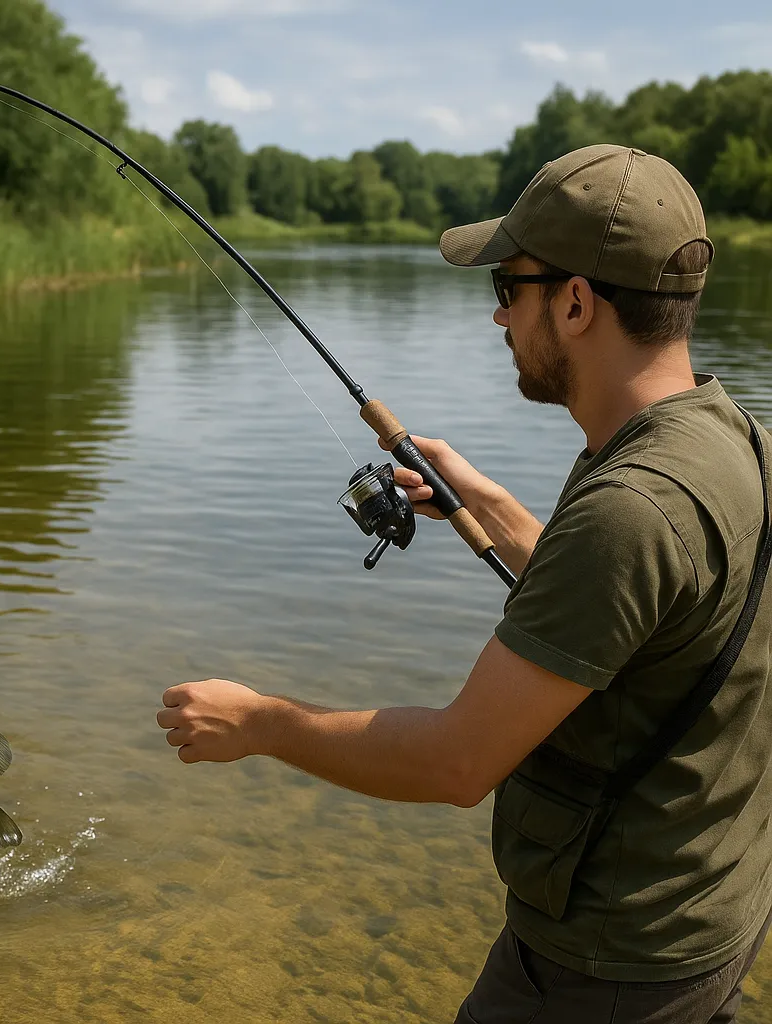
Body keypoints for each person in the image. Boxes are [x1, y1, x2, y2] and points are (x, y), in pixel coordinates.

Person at [155, 144, 772, 1022]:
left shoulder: (626, 511)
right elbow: (642, 613)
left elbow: (458, 761)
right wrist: (485, 500)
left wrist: (261, 722)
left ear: (574, 301)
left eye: (506, 290)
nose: (498, 319)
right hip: (714, 919)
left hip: (603, 969)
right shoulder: (733, 439)